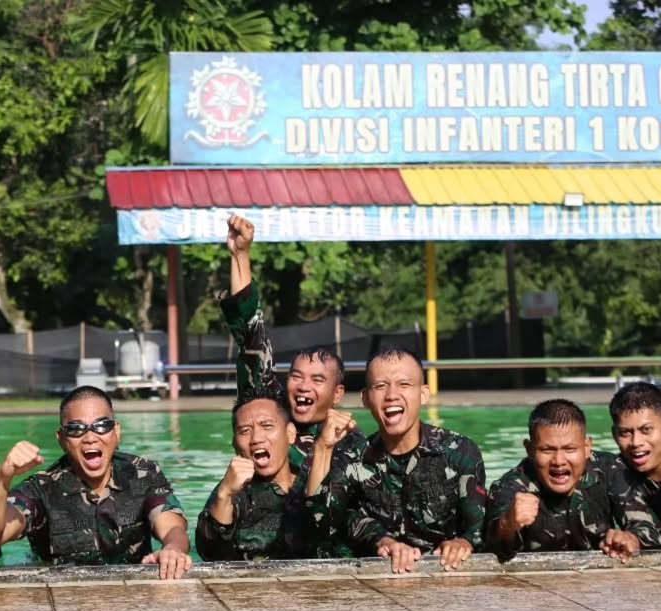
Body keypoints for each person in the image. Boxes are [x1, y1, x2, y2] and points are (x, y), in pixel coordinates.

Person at [0, 385, 192, 579]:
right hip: (62, 593)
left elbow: (172, 527)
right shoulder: (42, 490)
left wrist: (173, 549)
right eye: (76, 429)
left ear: (116, 432)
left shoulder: (144, 474)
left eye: (102, 426)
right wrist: (0, 478)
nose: (90, 437)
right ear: (62, 439)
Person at [220, 214, 362, 476]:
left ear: (338, 393)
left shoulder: (350, 441)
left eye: (317, 379)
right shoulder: (269, 405)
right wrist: (241, 254)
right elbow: (251, 332)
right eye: (297, 376)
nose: (303, 386)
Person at [325, 347, 487, 573]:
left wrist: (463, 543)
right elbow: (328, 522)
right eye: (380, 385)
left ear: (423, 394)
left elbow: (479, 528)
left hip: (448, 575)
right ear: (365, 398)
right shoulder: (353, 458)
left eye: (404, 384)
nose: (392, 395)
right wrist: (381, 540)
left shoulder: (459, 452)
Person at [485, 399, 661, 561]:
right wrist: (508, 523)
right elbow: (489, 548)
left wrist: (632, 538)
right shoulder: (510, 486)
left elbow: (650, 528)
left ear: (587, 447)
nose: (559, 461)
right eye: (547, 450)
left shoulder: (610, 470)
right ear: (530, 450)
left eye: (570, 449)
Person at [196, 388, 317, 560]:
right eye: (245, 431)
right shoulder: (235, 493)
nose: (256, 439)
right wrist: (225, 494)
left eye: (267, 426)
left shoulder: (313, 480)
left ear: (290, 433)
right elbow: (210, 553)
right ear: (235, 444)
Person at [609, 382, 661, 546]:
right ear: (614, 434)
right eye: (625, 432)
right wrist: (631, 539)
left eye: (646, 430)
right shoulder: (614, 471)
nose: (636, 442)